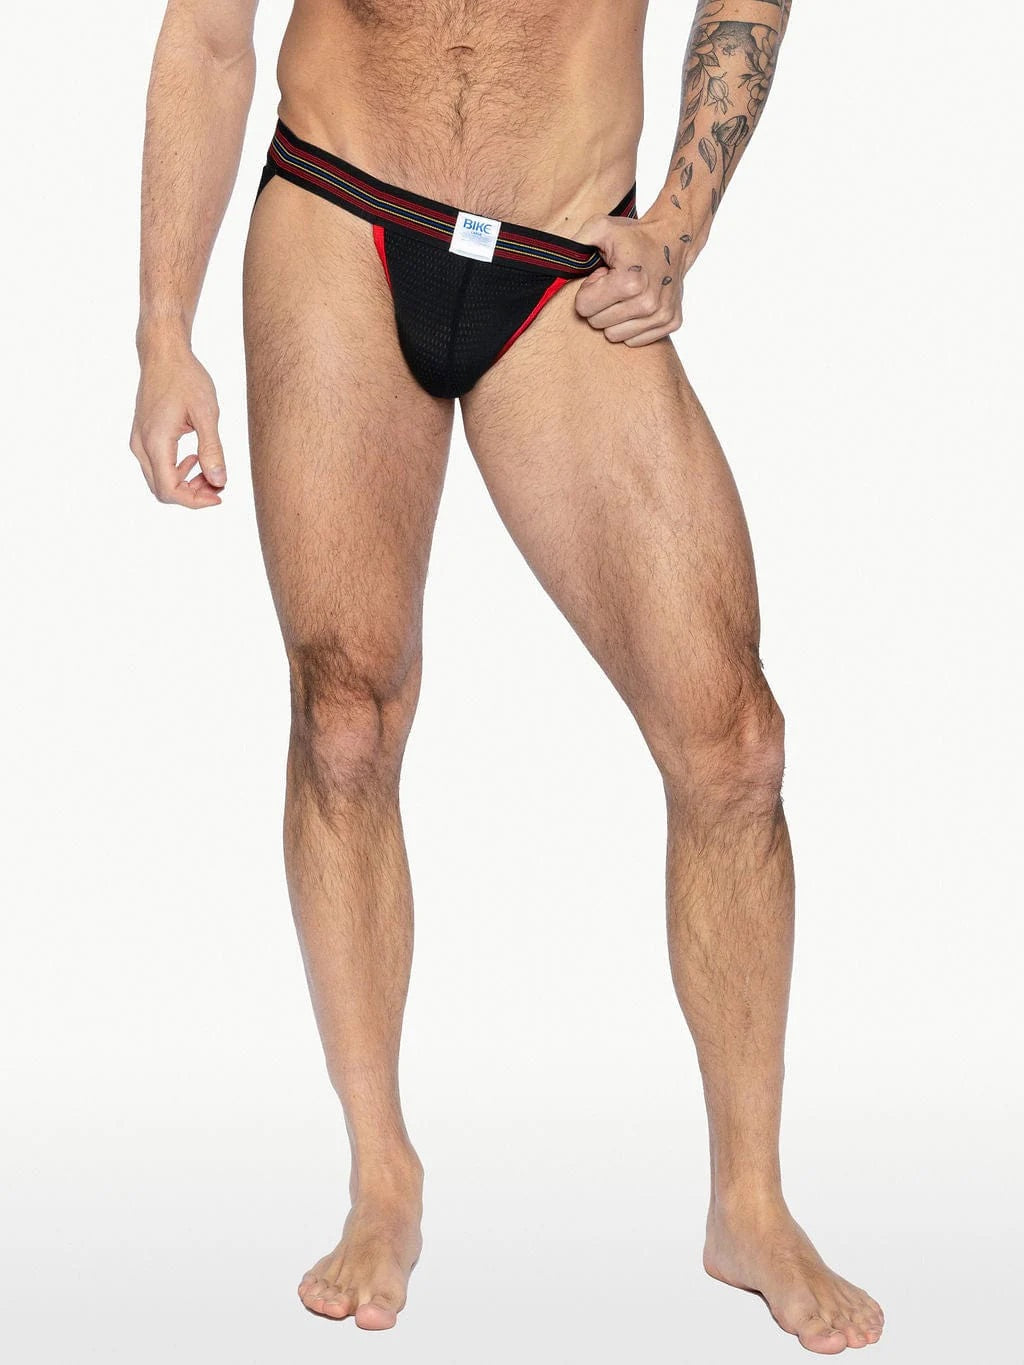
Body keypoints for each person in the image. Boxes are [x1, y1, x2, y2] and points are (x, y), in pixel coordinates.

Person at [130, 0, 884, 1352]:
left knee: (733, 744)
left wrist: (683, 221)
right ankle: (382, 1176)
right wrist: (161, 332)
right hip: (340, 212)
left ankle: (750, 1204)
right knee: (344, 717)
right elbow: (208, 37)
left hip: (565, 247)